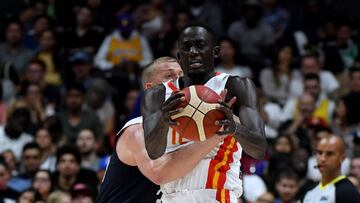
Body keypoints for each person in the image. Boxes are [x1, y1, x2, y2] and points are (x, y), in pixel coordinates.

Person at [142, 24, 266, 202]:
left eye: (200, 45)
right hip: (171, 196)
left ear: (215, 52)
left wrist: (234, 128)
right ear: (179, 57)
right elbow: (153, 152)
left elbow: (259, 149)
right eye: (186, 48)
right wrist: (163, 120)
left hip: (217, 194)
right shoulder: (157, 95)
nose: (192, 52)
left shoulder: (236, 86)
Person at [97, 56, 230, 203]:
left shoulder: (183, 127)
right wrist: (217, 135)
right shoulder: (136, 129)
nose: (178, 80)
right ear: (150, 88)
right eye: (169, 76)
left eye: (181, 75)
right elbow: (159, 173)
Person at [303, 135, 360, 202]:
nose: (323, 159)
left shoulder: (347, 192)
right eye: (319, 153)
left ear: (342, 158)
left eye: (329, 154)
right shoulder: (309, 190)